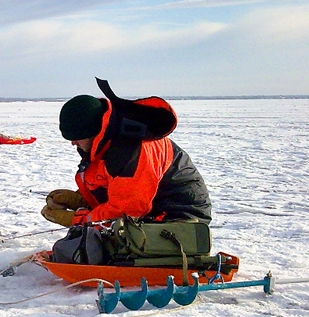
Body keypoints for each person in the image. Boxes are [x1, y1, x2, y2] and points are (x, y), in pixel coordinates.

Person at [42, 78, 211, 227]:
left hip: (180, 219)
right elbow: (114, 186)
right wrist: (82, 199)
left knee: (95, 246)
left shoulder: (130, 150)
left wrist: (77, 220)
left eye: (76, 137)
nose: (73, 143)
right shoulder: (107, 141)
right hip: (150, 211)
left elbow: (128, 211)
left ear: (94, 131)